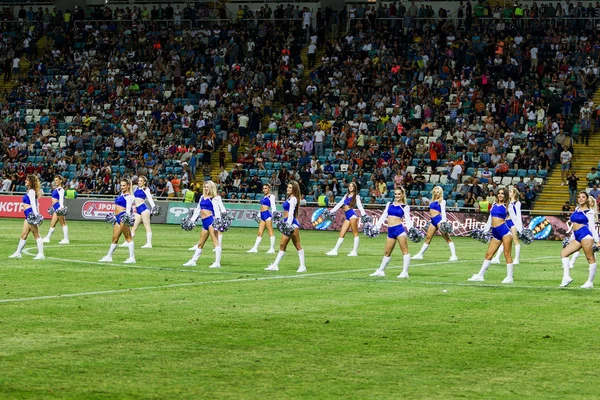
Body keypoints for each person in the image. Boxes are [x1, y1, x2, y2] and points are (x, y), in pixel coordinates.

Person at [468, 188, 514, 283]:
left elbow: (515, 219)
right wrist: (484, 230)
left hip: (505, 232)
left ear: (505, 195)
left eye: (502, 193)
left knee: (507, 254)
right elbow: (490, 219)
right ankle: (480, 275)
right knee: (489, 254)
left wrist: (521, 231)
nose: (500, 195)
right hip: (495, 232)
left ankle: (509, 277)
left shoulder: (508, 205)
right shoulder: (493, 205)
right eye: (499, 193)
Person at [369, 187, 412, 278]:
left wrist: (411, 229)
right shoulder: (389, 204)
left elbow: (408, 220)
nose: (397, 195)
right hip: (390, 231)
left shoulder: (405, 206)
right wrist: (377, 226)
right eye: (396, 194)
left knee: (405, 251)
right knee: (387, 252)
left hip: (399, 230)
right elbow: (384, 215)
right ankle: (381, 271)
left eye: (399, 194)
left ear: (402, 195)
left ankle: (405, 272)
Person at [265, 181, 306, 272]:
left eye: (290, 188)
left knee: (293, 245)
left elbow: (291, 213)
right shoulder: (289, 198)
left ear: (294, 189)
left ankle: (302, 266)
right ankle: (276, 265)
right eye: (288, 187)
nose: (288, 188)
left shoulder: (293, 199)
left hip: (291, 223)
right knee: (286, 245)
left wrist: (288, 225)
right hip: (287, 222)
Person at [560, 191, 599, 288]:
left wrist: (597, 240)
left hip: (586, 235)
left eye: (583, 197)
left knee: (590, 258)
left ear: (586, 200)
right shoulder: (576, 209)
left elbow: (592, 227)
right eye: (579, 197)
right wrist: (571, 238)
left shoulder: (589, 212)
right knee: (564, 254)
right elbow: (573, 226)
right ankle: (566, 277)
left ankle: (590, 282)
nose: (580, 198)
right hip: (577, 236)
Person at [412, 186, 458, 261]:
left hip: (439, 220)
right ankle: (420, 254)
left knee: (447, 238)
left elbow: (443, 212)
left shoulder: (442, 201)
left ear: (440, 192)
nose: (436, 193)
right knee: (428, 238)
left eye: (438, 192)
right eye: (435, 192)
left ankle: (454, 256)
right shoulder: (432, 201)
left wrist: (443, 222)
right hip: (433, 221)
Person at [184, 181, 223, 268]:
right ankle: (193, 261)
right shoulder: (202, 197)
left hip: (211, 221)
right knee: (200, 243)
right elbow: (198, 209)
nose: (206, 188)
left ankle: (217, 262)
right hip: (204, 222)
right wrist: (192, 220)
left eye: (207, 187)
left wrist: (218, 221)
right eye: (205, 187)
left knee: (215, 242)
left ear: (211, 188)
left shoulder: (214, 198)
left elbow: (217, 210)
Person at [99, 178, 136, 264]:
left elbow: (128, 209)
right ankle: (109, 256)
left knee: (128, 238)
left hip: (123, 217)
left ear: (128, 186)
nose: (122, 187)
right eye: (121, 185)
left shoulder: (129, 196)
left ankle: (132, 258)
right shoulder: (121, 194)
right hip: (117, 218)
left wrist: (127, 218)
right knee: (114, 239)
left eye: (124, 185)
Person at [325, 182, 367, 257]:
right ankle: (335, 250)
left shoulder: (356, 196)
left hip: (352, 215)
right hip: (347, 216)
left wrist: (364, 215)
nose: (350, 187)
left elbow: (360, 206)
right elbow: (340, 204)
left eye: (352, 186)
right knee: (342, 233)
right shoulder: (346, 195)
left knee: (355, 233)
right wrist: (331, 211)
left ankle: (354, 251)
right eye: (349, 186)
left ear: (354, 188)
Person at [9, 175, 45, 260]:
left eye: (27, 180)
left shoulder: (32, 191)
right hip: (28, 215)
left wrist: (36, 216)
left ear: (31, 182)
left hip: (31, 214)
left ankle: (41, 254)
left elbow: (33, 204)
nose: (25, 181)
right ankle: (18, 252)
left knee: (36, 235)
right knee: (24, 235)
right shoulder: (30, 190)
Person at [491, 188, 524, 265]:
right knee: (503, 241)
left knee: (515, 240)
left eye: (510, 192)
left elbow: (518, 215)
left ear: (514, 194)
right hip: (506, 222)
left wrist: (520, 226)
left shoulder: (517, 203)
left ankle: (516, 259)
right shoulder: (507, 202)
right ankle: (497, 258)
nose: (508, 193)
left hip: (513, 223)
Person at [248, 183, 277, 254]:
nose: (264, 189)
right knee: (260, 232)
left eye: (266, 188)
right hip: (262, 215)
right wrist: (258, 214)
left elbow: (273, 205)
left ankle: (272, 248)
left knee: (270, 232)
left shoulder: (271, 196)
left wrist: (274, 214)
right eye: (263, 188)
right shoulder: (264, 197)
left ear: (269, 189)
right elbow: (261, 207)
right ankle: (255, 248)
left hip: (267, 215)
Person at [130, 176, 156, 248]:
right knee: (134, 226)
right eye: (139, 181)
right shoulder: (136, 189)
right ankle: (128, 241)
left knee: (147, 226)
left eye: (141, 181)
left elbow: (150, 199)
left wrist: (154, 207)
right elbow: (133, 199)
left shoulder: (146, 189)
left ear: (144, 182)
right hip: (138, 209)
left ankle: (149, 243)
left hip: (144, 209)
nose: (139, 182)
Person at [42, 175, 69, 244]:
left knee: (63, 223)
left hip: (58, 207)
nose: (55, 181)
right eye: (55, 180)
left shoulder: (61, 189)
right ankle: (47, 238)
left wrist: (61, 207)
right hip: (55, 207)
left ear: (60, 181)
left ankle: (66, 239)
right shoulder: (56, 189)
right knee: (52, 223)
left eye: (57, 180)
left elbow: (61, 199)